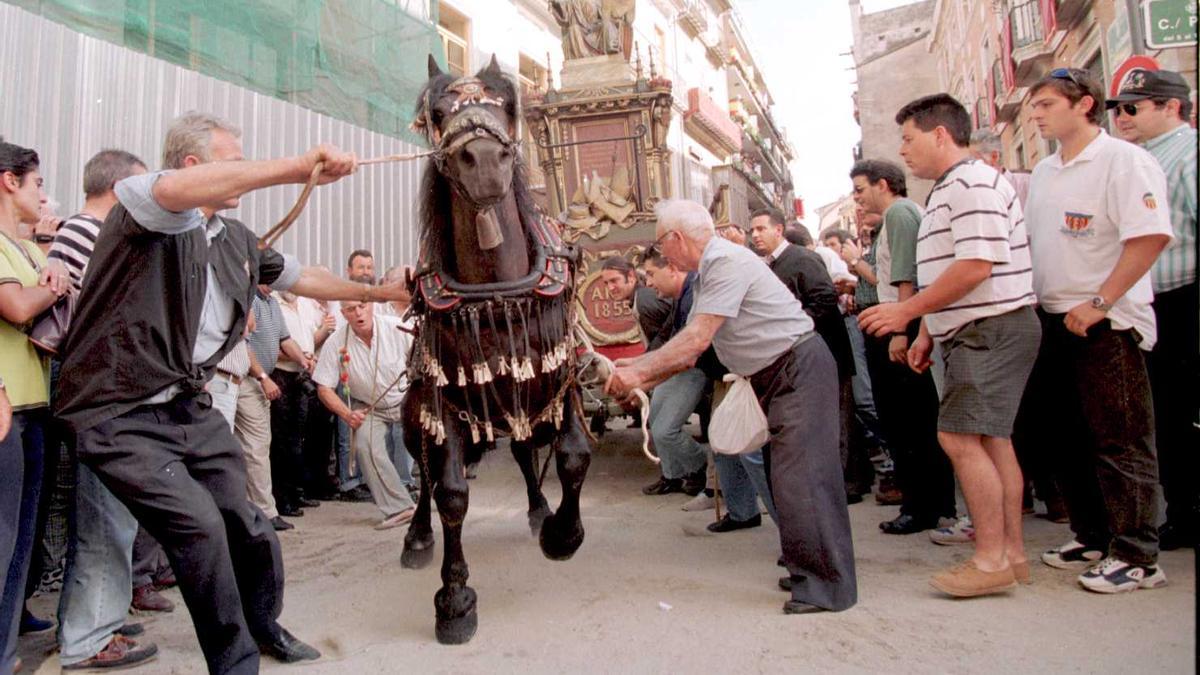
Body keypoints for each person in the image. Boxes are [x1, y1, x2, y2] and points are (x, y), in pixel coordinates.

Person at [54, 112, 411, 671]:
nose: (244, 172)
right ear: (195, 165)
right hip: (117, 411)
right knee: (199, 528)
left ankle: (264, 624)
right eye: (234, 162)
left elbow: (305, 278)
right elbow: (171, 191)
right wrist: (300, 166)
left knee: (250, 525)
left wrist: (385, 289)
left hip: (186, 407)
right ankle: (234, 661)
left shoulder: (234, 240)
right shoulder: (147, 209)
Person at [606, 199, 856, 615]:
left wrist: (637, 375)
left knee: (805, 480)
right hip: (780, 374)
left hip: (797, 369)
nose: (661, 256)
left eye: (661, 246)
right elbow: (689, 350)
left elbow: (696, 339)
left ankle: (826, 587)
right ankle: (808, 570)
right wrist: (640, 372)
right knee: (789, 479)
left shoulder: (723, 262)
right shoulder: (712, 269)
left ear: (676, 239)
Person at [861, 94, 1040, 597]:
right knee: (990, 441)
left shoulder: (972, 182)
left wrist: (907, 313)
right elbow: (950, 269)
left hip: (992, 328)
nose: (903, 151)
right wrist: (928, 332)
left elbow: (975, 266)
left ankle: (988, 561)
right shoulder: (948, 189)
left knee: (961, 440)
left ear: (940, 135)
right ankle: (1011, 554)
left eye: (908, 138)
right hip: (977, 328)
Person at [1023, 69, 1172, 593]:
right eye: (1033, 105)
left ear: (1084, 103)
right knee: (1067, 436)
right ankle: (1092, 535)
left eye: (1045, 103)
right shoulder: (1044, 171)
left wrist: (1100, 301)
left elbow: (1149, 237)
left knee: (1122, 439)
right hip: (1054, 319)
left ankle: (1138, 555)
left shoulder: (1125, 161)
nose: (1035, 113)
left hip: (1106, 322)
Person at [47, 149, 167, 670]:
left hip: (109, 394)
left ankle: (101, 617)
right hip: (99, 396)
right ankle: (87, 638)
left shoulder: (86, 233)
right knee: (103, 521)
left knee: (113, 518)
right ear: (120, 190)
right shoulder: (81, 232)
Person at [1108, 69, 1197, 551]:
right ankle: (1183, 512)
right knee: (1167, 415)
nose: (1121, 117)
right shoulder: (1139, 159)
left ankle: (1188, 511)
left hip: (1185, 298)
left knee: (1183, 412)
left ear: (1171, 107)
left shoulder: (1189, 154)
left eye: (1133, 107)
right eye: (1119, 108)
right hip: (1153, 303)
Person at [850, 159, 955, 534]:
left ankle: (923, 507)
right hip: (899, 322)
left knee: (908, 422)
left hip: (900, 327)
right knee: (906, 421)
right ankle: (927, 503)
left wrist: (900, 331)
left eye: (861, 190)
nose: (858, 199)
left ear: (883, 184)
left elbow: (906, 274)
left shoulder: (900, 214)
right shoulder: (900, 215)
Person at [0, 141, 70, 674]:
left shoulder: (24, 249)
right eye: (37, 183)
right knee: (4, 538)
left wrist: (51, 272)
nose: (43, 194)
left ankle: (9, 638)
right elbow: (20, 304)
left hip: (35, 404)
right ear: (10, 182)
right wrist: (50, 287)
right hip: (7, 408)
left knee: (23, 535)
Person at [750, 209, 867, 503]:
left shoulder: (801, 259)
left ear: (779, 230)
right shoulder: (771, 265)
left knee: (838, 422)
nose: (755, 235)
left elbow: (824, 300)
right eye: (753, 231)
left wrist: (793, 328)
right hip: (803, 357)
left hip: (825, 352)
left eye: (761, 229)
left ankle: (848, 484)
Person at [312, 291, 417, 530]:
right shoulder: (336, 342)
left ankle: (441, 495)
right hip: (369, 407)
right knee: (364, 445)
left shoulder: (399, 328)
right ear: (343, 314)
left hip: (407, 400)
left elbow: (425, 362)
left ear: (371, 306)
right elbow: (324, 388)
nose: (358, 313)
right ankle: (400, 507)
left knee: (428, 445)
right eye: (351, 309)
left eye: (362, 306)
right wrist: (347, 414)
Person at [599, 255, 672, 346]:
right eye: (606, 283)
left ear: (630, 276)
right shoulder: (643, 297)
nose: (610, 288)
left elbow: (664, 346)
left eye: (614, 280)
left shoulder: (643, 302)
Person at [968, 129, 1030, 209]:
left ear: (994, 157)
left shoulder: (1027, 183)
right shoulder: (973, 195)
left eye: (973, 161)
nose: (969, 168)